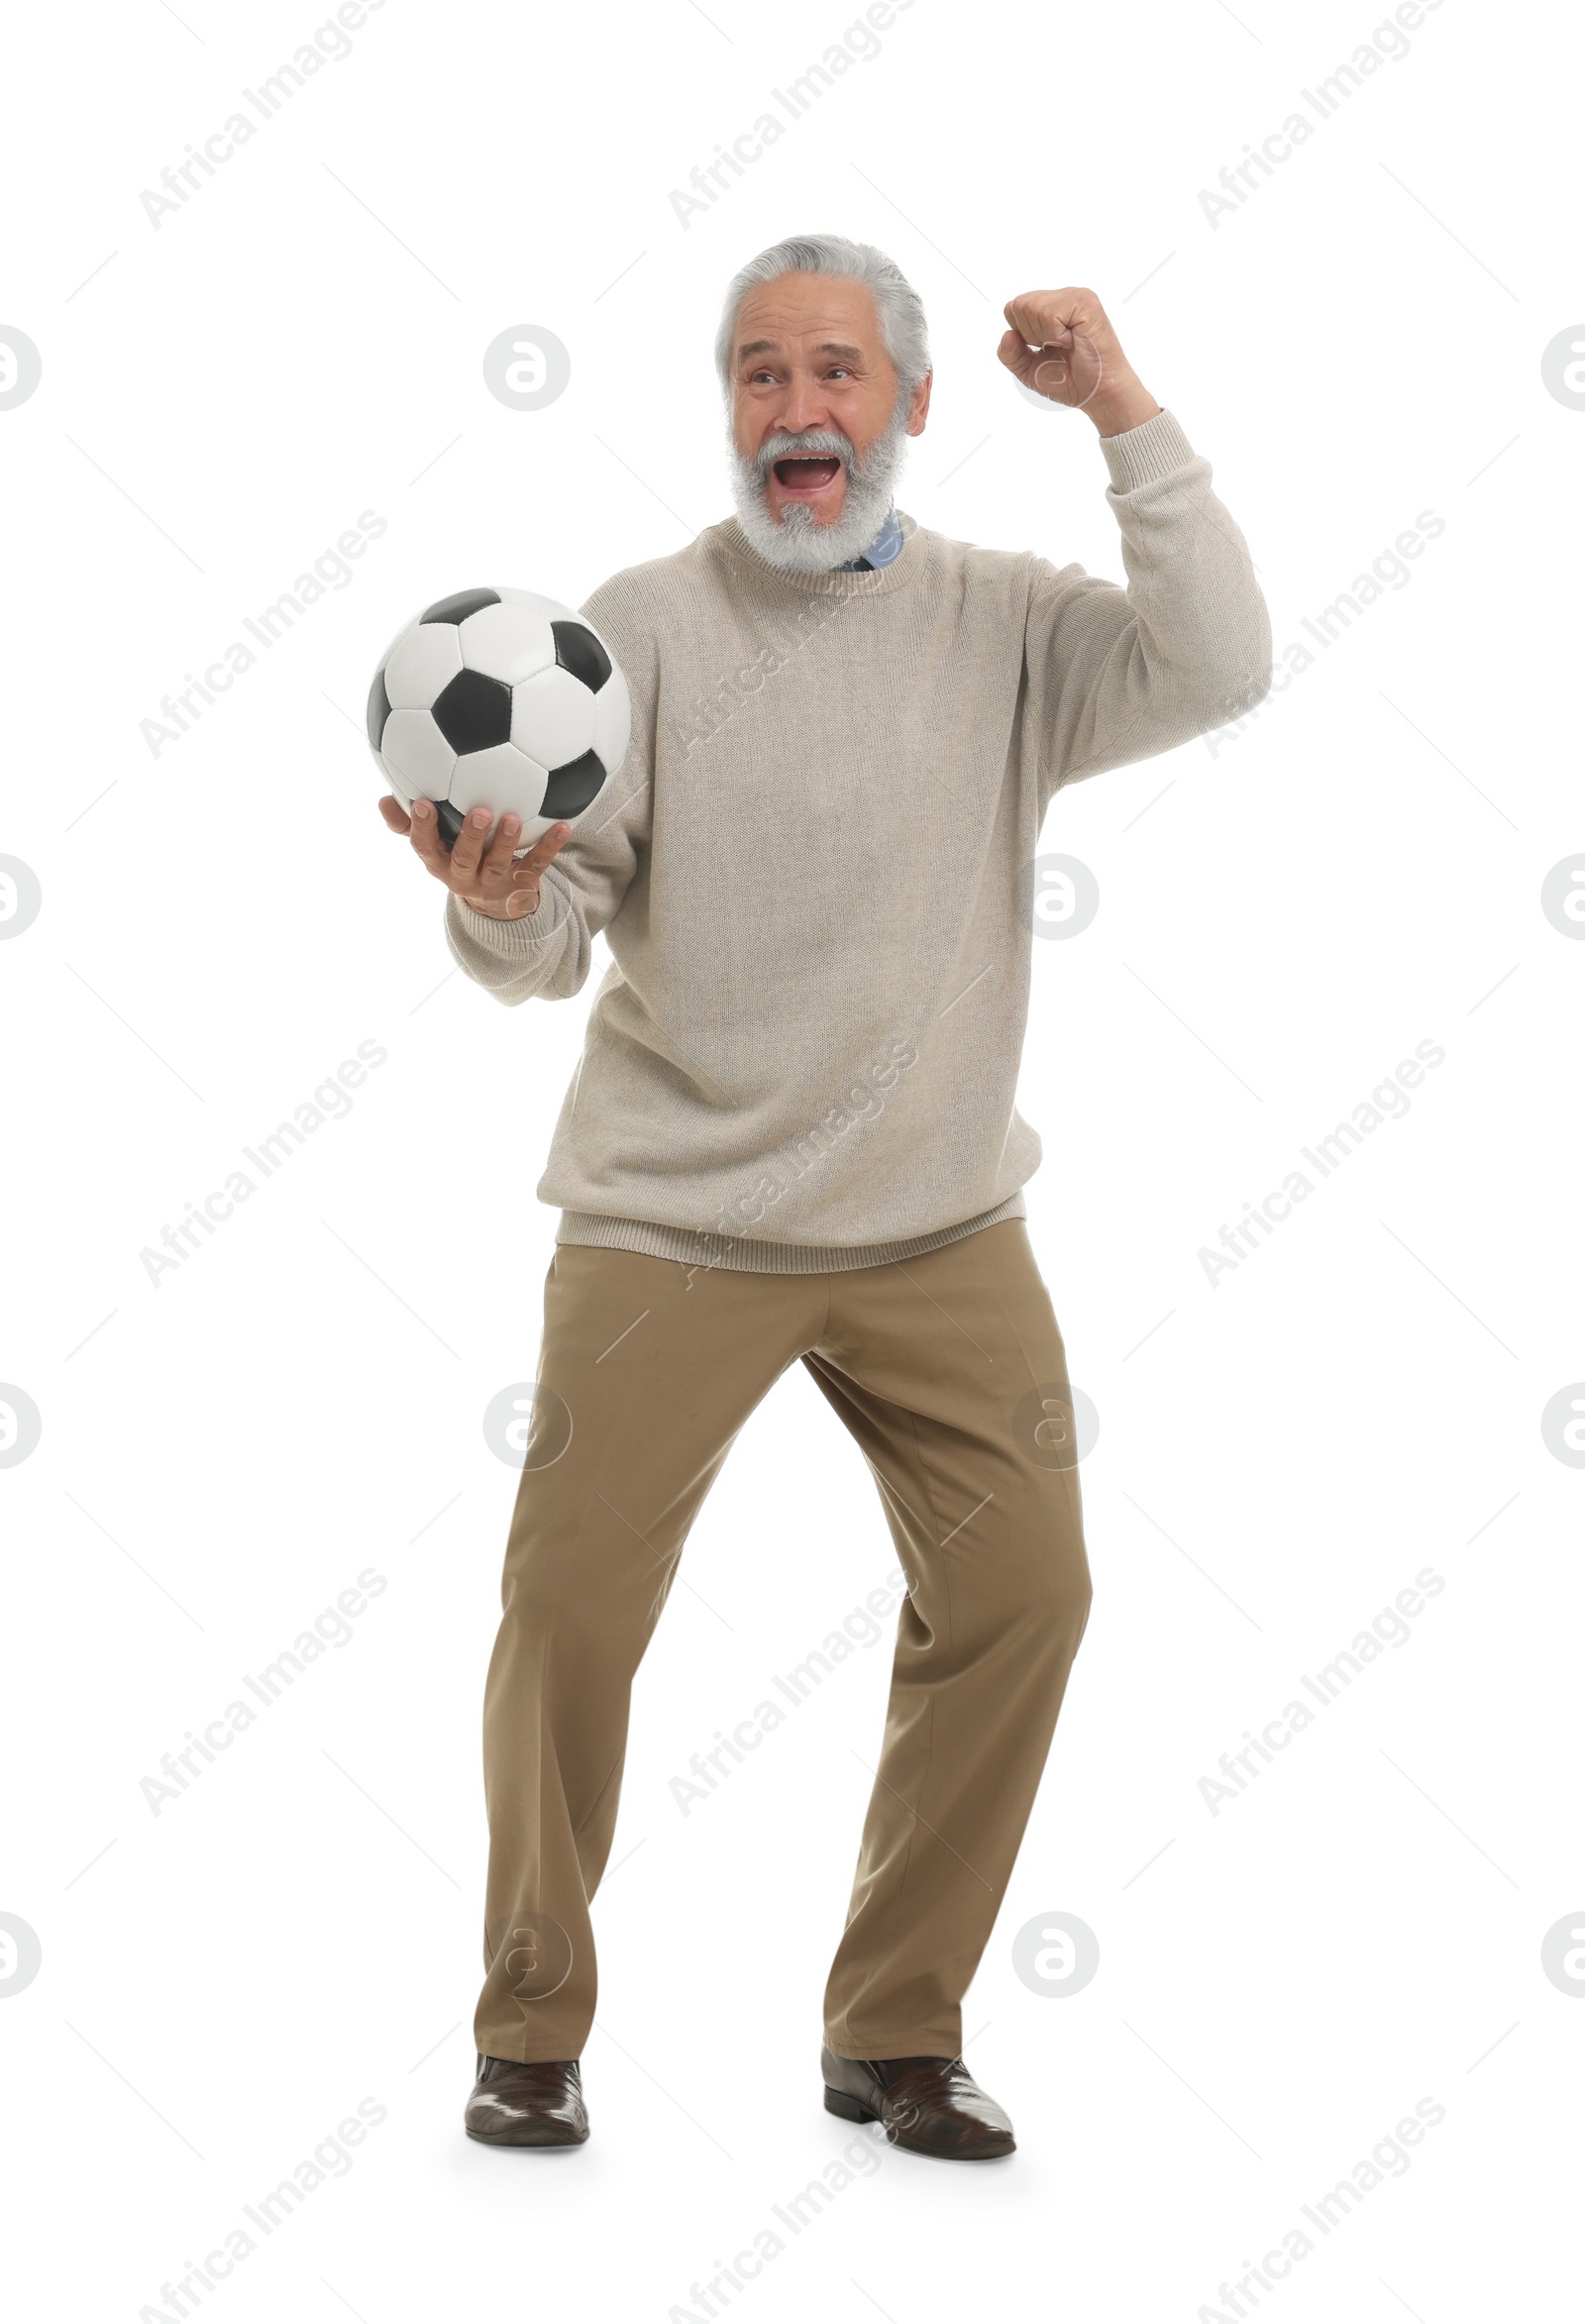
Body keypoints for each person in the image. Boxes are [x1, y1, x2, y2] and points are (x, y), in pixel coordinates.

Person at [377, 232, 1271, 2160]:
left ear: (914, 407)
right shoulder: (630, 633)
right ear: (729, 411)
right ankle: (528, 2026)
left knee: (1028, 1590)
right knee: (566, 1615)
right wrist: (498, 900)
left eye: (837, 374)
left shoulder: (1011, 627)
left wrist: (1121, 409)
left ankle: (894, 2023)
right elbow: (546, 951)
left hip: (937, 1224)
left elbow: (1219, 663)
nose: (799, 413)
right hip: (668, 1224)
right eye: (760, 376)